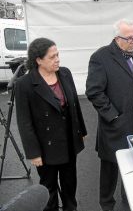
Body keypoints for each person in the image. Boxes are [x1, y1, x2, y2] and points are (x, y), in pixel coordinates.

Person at [85, 19, 133, 211]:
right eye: (129, 38)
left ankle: (128, 201)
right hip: (114, 126)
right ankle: (106, 204)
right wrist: (113, 116)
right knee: (110, 168)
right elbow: (94, 92)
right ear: (117, 38)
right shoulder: (101, 57)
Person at [15, 37, 87, 211]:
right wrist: (33, 153)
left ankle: (71, 208)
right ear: (38, 60)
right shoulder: (24, 84)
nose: (57, 60)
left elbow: (74, 105)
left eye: (58, 55)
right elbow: (24, 121)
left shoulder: (65, 73)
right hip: (45, 147)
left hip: (69, 140)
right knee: (49, 187)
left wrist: (81, 132)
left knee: (70, 183)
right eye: (52, 57)